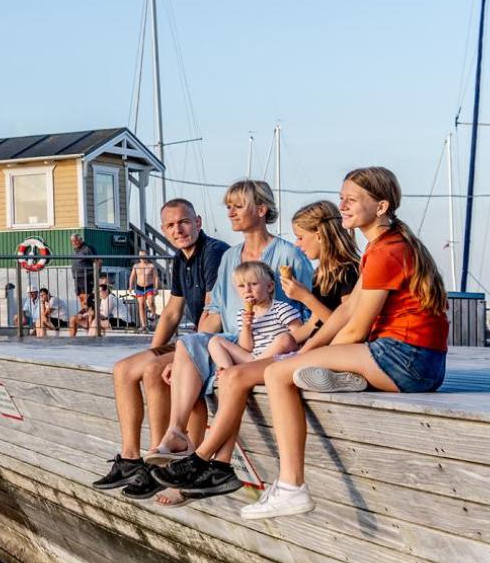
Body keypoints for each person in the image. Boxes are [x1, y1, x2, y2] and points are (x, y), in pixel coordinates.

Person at [244, 166, 448, 519]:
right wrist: (308, 350)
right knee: (294, 364)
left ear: (381, 206)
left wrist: (306, 358)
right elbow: (346, 309)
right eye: (342, 199)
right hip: (416, 360)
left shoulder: (387, 251)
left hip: (404, 359)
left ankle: (292, 486)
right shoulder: (382, 245)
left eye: (352, 200)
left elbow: (356, 329)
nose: (343, 206)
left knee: (278, 375)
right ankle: (347, 379)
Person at [152, 200, 360, 501]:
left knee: (236, 377)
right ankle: (213, 464)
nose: (297, 244)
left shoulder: (344, 272)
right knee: (227, 372)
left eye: (301, 236)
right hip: (311, 351)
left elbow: (339, 323)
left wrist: (302, 302)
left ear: (321, 234)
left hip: (327, 352)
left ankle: (203, 460)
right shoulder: (321, 275)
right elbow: (318, 326)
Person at [91, 199, 228, 498]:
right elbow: (171, 313)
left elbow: (213, 313)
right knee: (125, 369)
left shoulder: (213, 253)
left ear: (198, 222)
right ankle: (130, 460)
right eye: (170, 225)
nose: (178, 229)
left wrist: (179, 358)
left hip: (217, 339)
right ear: (164, 230)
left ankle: (158, 461)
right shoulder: (181, 258)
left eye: (184, 222)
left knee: (155, 370)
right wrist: (152, 351)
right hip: (195, 337)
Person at [207, 262, 303, 369]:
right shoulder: (242, 314)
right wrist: (246, 326)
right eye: (241, 286)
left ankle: (246, 369)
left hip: (276, 359)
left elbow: (299, 336)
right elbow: (246, 348)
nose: (247, 290)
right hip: (252, 358)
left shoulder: (281, 309)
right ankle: (227, 369)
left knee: (285, 338)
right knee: (214, 341)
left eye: (253, 284)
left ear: (270, 286)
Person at [130, 250, 159, 331]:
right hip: (139, 287)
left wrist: (156, 288)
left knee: (150, 302)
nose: (142, 258)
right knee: (141, 305)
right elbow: (132, 277)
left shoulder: (151, 266)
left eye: (144, 256)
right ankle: (143, 325)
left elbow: (156, 277)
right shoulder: (136, 266)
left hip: (149, 286)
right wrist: (130, 286)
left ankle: (153, 313)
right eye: (141, 256)